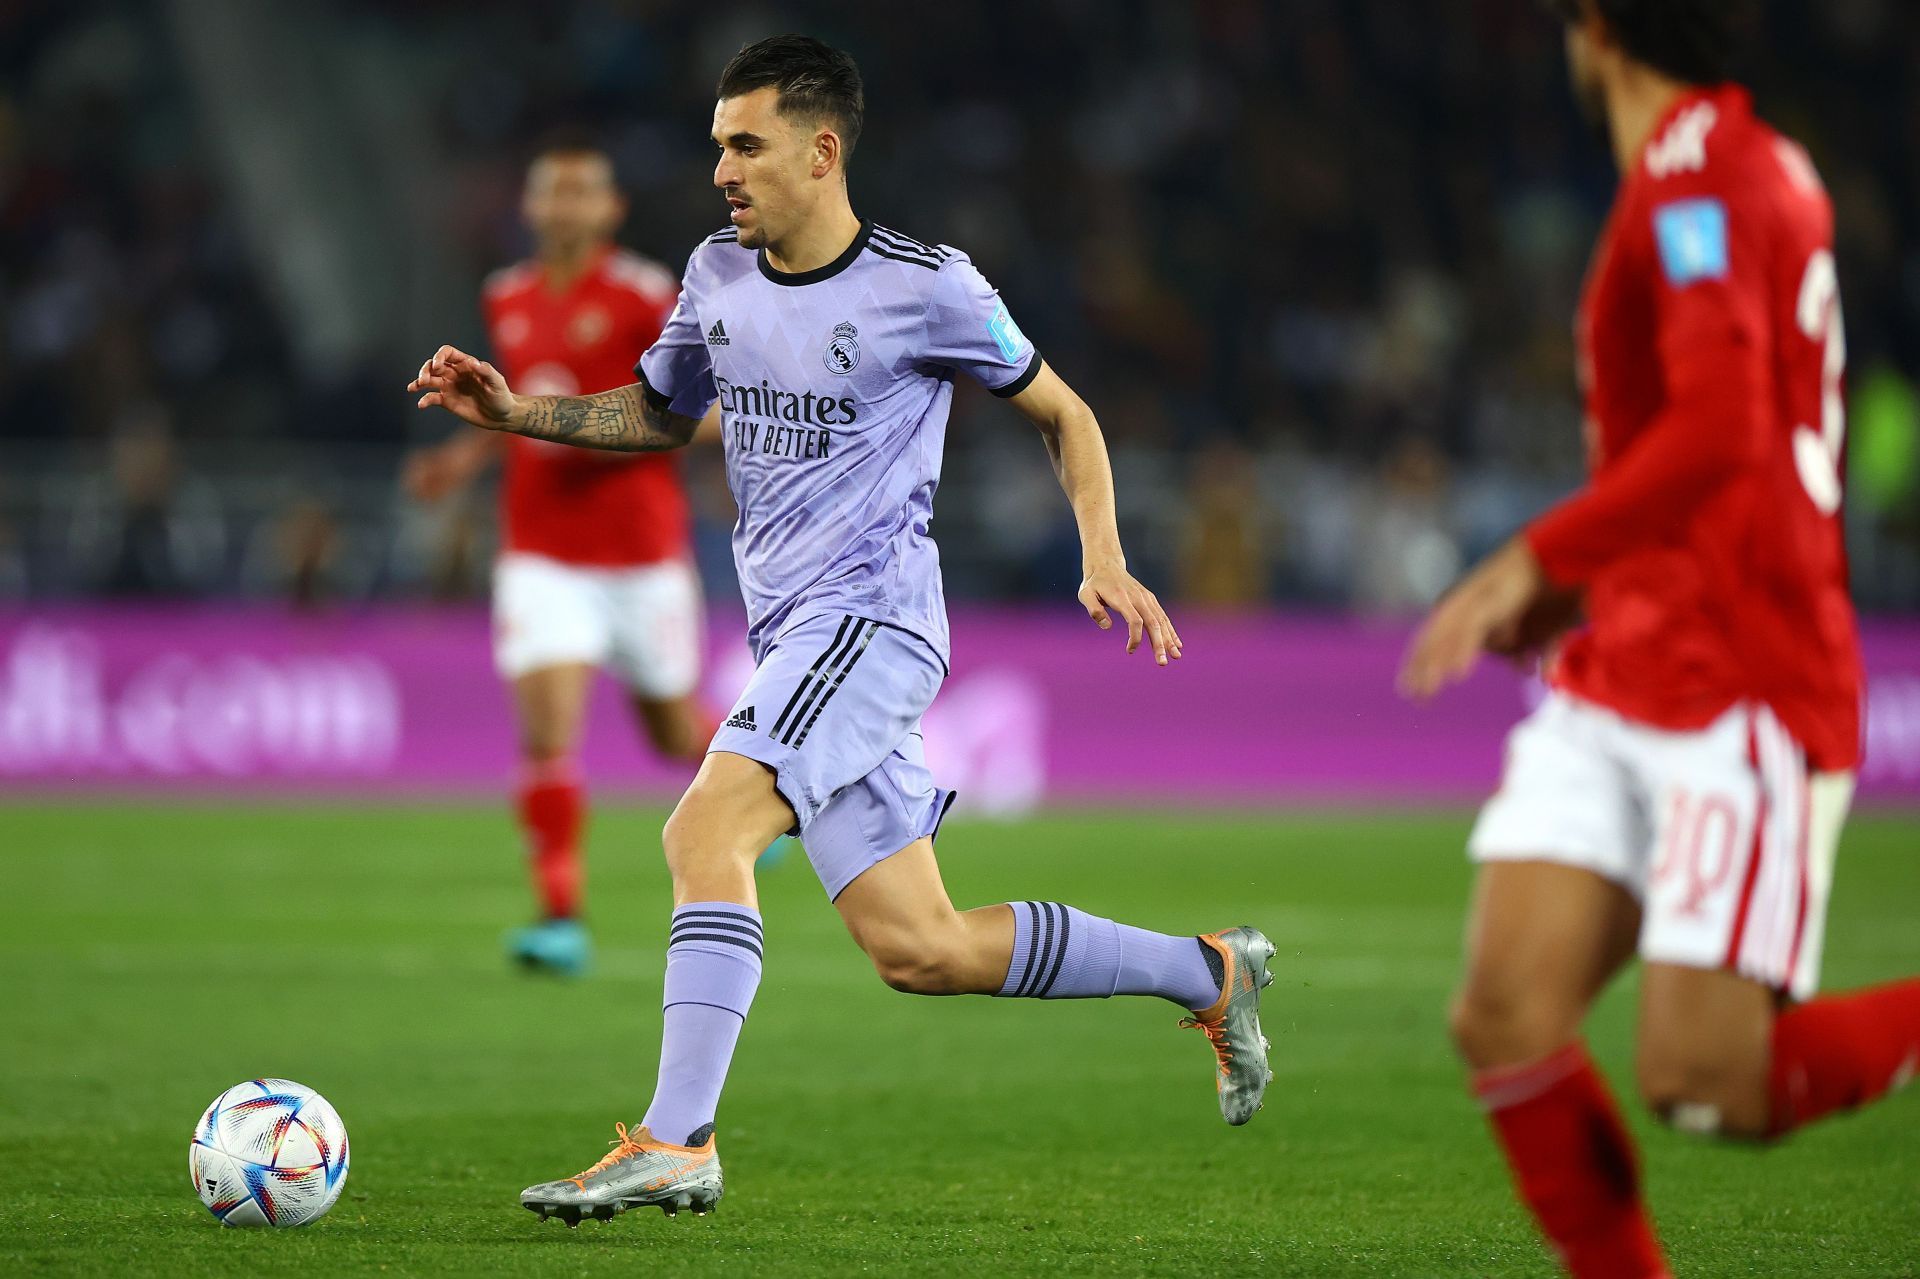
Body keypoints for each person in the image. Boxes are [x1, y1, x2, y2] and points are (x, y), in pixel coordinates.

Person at [409, 35, 1275, 1223]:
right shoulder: (716, 274)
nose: (722, 169)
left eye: (746, 145)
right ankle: (1206, 970)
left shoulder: (929, 287)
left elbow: (1064, 412)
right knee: (922, 948)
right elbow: (660, 415)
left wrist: (1106, 553)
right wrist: (519, 415)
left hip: (872, 624)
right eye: (718, 145)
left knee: (704, 830)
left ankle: (678, 1138)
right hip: (794, 639)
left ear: (821, 153)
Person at [1399, 3, 1920, 1276]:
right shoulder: (1715, 172)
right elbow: (1692, 460)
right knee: (1505, 1012)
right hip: (1628, 659)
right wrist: (1579, 593)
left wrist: (1536, 555)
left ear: (1597, 30)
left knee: (1707, 1079)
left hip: (1737, 674)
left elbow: (1724, 426)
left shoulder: (1700, 178)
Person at [406, 137, 711, 976]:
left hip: (641, 551)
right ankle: (560, 918)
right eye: (553, 193)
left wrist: (629, 433)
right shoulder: (505, 295)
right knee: (548, 738)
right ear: (531, 208)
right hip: (541, 551)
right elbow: (514, 411)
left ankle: (763, 800)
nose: (567, 206)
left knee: (673, 732)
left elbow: (704, 408)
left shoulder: (649, 295)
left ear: (611, 209)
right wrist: (461, 460)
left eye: (584, 193)